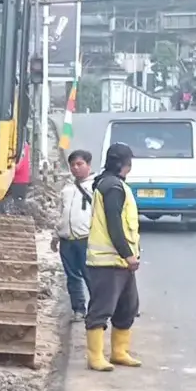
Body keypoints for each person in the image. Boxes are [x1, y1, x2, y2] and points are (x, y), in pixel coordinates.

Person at [84, 142, 142, 372]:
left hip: (120, 262)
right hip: (108, 260)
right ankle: (95, 356)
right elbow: (114, 224)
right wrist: (127, 254)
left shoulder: (113, 184)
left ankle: (119, 352)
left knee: (127, 307)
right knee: (102, 308)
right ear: (124, 163)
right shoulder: (112, 187)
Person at [52, 149, 94, 322]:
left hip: (86, 240)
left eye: (80, 164)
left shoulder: (95, 187)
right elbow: (60, 213)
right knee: (72, 278)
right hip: (66, 240)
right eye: (73, 165)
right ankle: (78, 309)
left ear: (88, 165)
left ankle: (97, 310)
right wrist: (56, 236)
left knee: (90, 276)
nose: (76, 168)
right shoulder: (67, 189)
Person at [0, 142, 31, 214]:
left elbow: (18, 166)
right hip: (13, 179)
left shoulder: (21, 146)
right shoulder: (21, 145)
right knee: (5, 204)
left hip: (18, 180)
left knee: (16, 204)